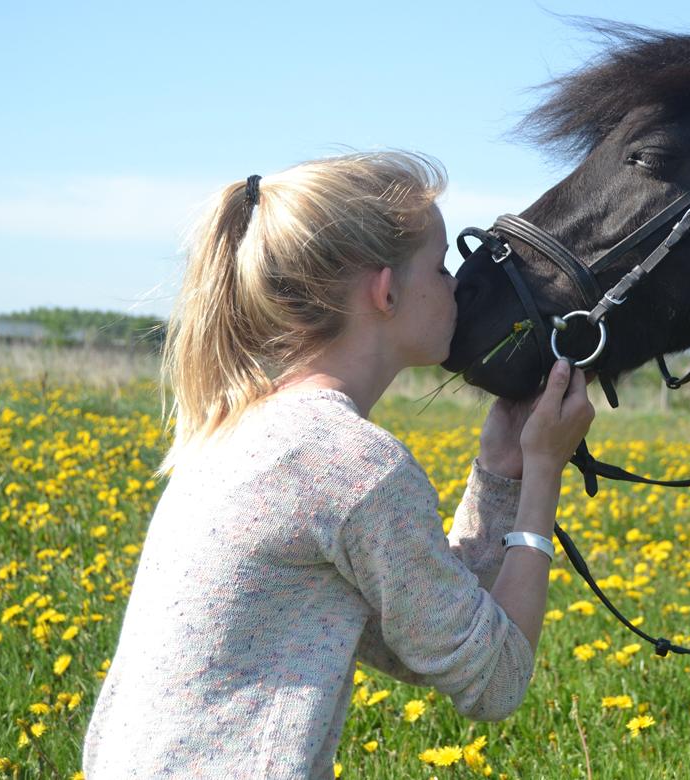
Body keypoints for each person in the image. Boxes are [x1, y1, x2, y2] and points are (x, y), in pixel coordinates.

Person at [82, 152, 595, 778]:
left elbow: (427, 638)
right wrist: (543, 474)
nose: (456, 286)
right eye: (440, 267)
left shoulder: (245, 431)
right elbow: (496, 680)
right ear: (386, 291)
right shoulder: (350, 464)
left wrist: (500, 471)